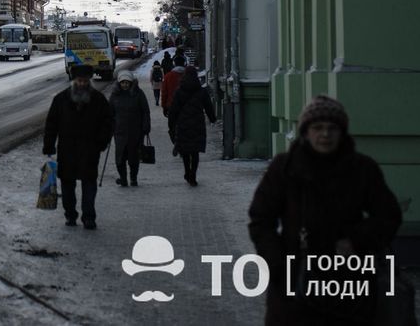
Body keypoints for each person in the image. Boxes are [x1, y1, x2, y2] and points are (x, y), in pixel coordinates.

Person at [248, 96, 402, 325]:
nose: (325, 134)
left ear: (342, 132)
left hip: (349, 280)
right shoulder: (285, 168)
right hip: (293, 282)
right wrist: (277, 262)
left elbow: (388, 215)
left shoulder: (361, 168)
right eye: (317, 127)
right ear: (306, 132)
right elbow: (261, 219)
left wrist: (356, 240)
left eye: (332, 128)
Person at [42, 64, 113, 230]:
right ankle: (70, 215)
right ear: (74, 81)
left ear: (89, 81)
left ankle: (88, 217)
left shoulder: (98, 99)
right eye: (79, 81)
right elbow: (51, 124)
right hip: (67, 150)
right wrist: (49, 145)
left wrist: (101, 142)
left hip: (90, 149)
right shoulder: (61, 99)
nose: (82, 84)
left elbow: (108, 122)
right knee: (67, 185)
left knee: (89, 184)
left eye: (85, 81)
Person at [167, 66, 215, 186]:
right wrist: (212, 119)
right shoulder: (201, 91)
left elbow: (173, 110)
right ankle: (193, 175)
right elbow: (208, 106)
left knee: (185, 151)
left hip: (183, 124)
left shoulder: (179, 91)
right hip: (197, 124)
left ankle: (187, 172)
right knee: (195, 152)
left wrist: (171, 125)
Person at [110, 71, 150, 187]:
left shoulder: (138, 94)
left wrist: (146, 126)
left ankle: (133, 178)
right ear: (119, 83)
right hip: (119, 132)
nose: (125, 85)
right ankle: (123, 178)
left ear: (131, 82)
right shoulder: (115, 95)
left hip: (135, 131)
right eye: (123, 82)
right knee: (120, 158)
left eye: (127, 82)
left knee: (133, 158)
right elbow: (109, 113)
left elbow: (145, 111)